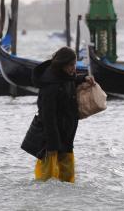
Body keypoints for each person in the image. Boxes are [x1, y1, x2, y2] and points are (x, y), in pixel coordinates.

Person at [31, 46, 94, 183]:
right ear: (62, 64)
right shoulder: (50, 85)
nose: (74, 68)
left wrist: (84, 78)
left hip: (66, 134)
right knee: (46, 179)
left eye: (75, 64)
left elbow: (69, 81)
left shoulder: (65, 77)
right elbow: (48, 116)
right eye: (71, 65)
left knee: (68, 179)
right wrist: (53, 144)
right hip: (51, 138)